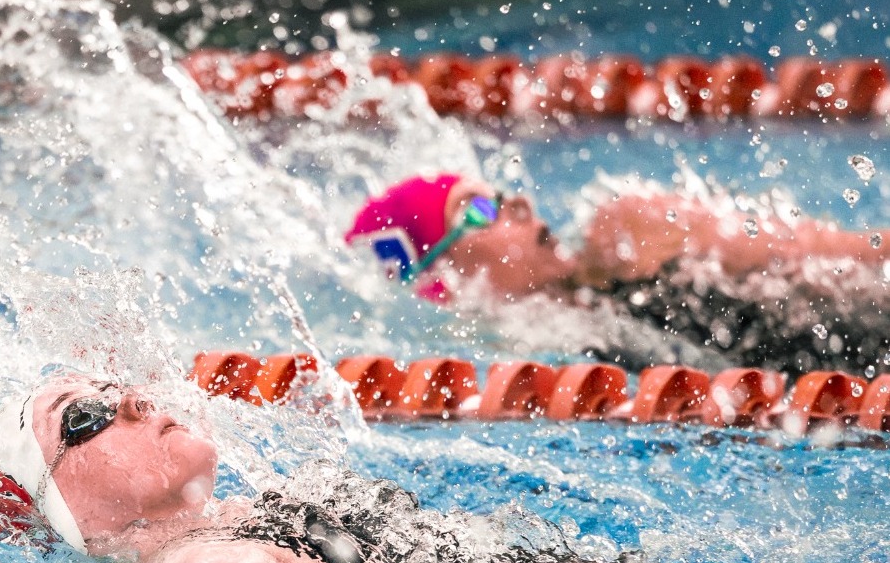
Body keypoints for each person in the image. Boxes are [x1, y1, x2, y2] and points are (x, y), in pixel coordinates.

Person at [0, 374, 890, 563]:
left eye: (117, 387)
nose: (133, 399)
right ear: (64, 508)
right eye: (88, 418)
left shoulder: (227, 526)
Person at [346, 173, 890, 376]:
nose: (520, 205)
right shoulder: (528, 355)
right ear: (444, 279)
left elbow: (841, 253)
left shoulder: (629, 231)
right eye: (478, 211)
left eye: (501, 195)